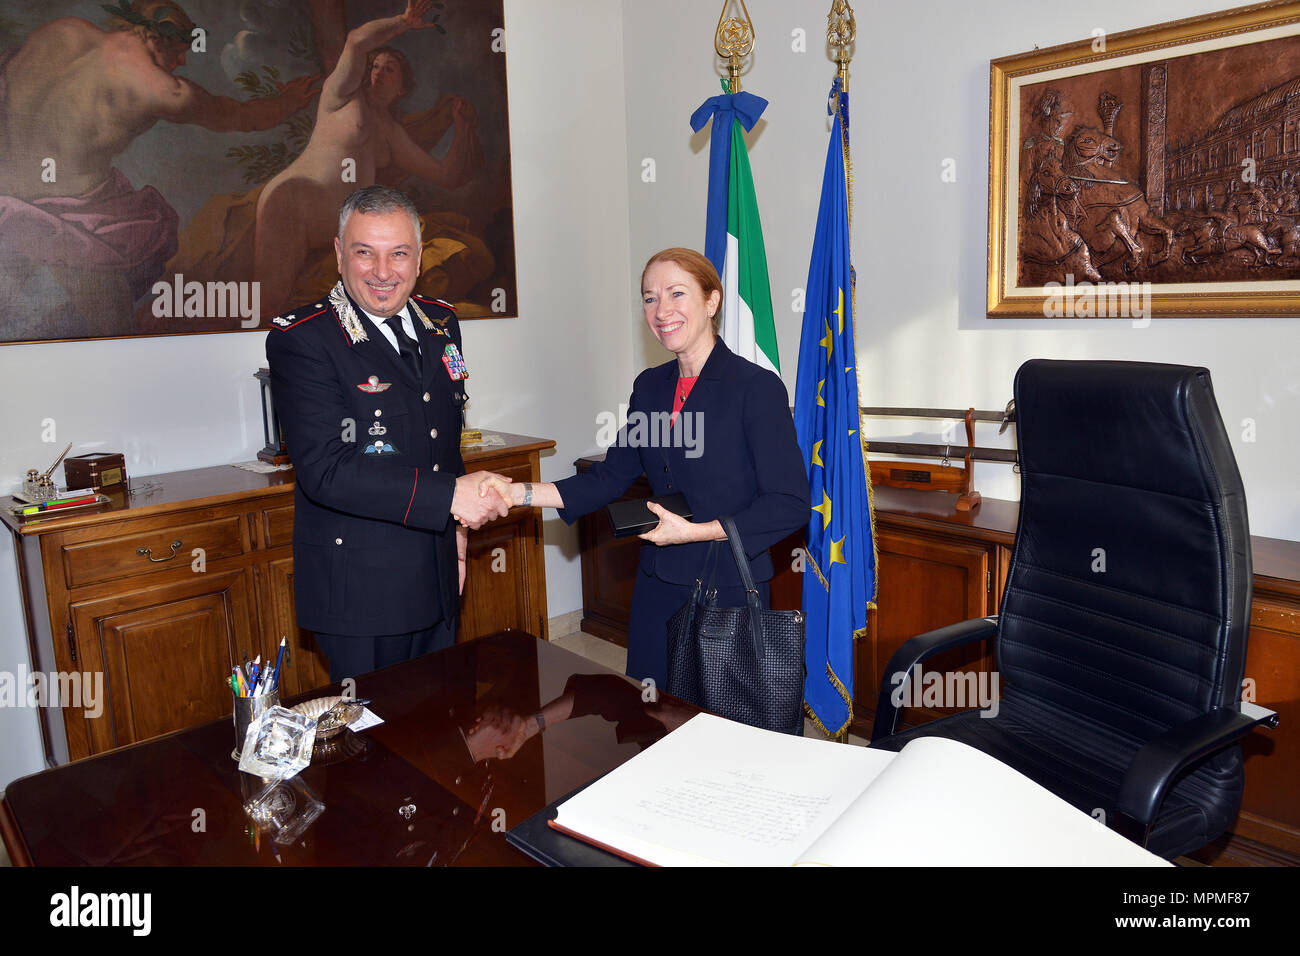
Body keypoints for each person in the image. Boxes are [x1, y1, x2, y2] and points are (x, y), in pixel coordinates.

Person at [489, 248, 811, 689]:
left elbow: (789, 504)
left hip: (729, 585)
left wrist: (693, 532)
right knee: (652, 716)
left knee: (721, 728)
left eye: (676, 294)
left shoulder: (755, 389)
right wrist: (518, 493)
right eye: (649, 298)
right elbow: (610, 475)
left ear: (711, 301)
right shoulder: (651, 386)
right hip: (660, 580)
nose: (662, 311)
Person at [265, 185, 510, 682]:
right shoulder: (303, 339)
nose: (383, 272)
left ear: (419, 257)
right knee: (372, 743)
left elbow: (444, 442)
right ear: (339, 254)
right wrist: (452, 497)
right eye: (364, 253)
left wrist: (458, 542)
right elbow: (326, 471)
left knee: (440, 719)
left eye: (398, 253)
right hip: (361, 588)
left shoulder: (441, 323)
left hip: (439, 570)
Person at [0, 0, 317, 334]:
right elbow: (235, 115)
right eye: (179, 51)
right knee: (115, 327)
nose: (181, 62)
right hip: (67, 216)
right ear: (158, 38)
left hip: (6, 188)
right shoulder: (162, 90)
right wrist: (285, 103)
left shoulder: (62, 31)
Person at [254, 0, 482, 319]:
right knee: (268, 309)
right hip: (293, 205)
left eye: (389, 69)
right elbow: (356, 42)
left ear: (403, 88)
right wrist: (404, 21)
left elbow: (447, 176)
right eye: (375, 66)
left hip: (334, 228)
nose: (378, 73)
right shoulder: (344, 94)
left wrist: (460, 128)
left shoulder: (392, 135)